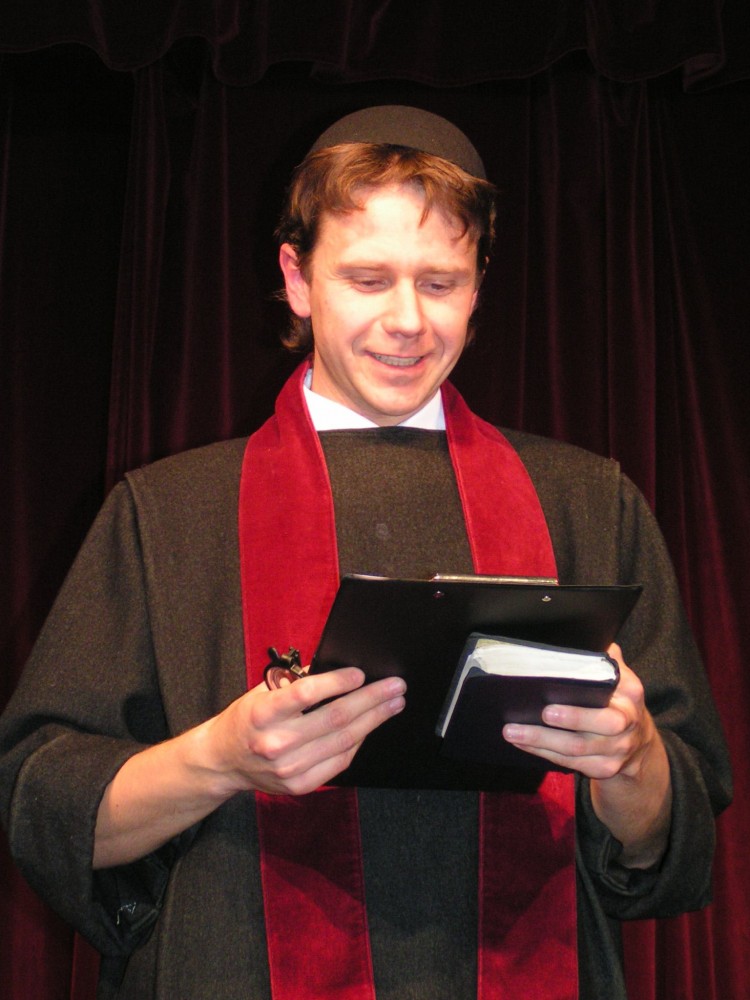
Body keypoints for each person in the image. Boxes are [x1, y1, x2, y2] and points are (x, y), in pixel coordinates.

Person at [0, 106, 732, 1000]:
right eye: (367, 278)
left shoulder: (586, 501)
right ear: (297, 279)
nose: (407, 321)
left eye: (440, 282)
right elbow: (45, 808)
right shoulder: (168, 513)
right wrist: (218, 759)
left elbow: (672, 839)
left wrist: (636, 762)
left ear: (479, 285)